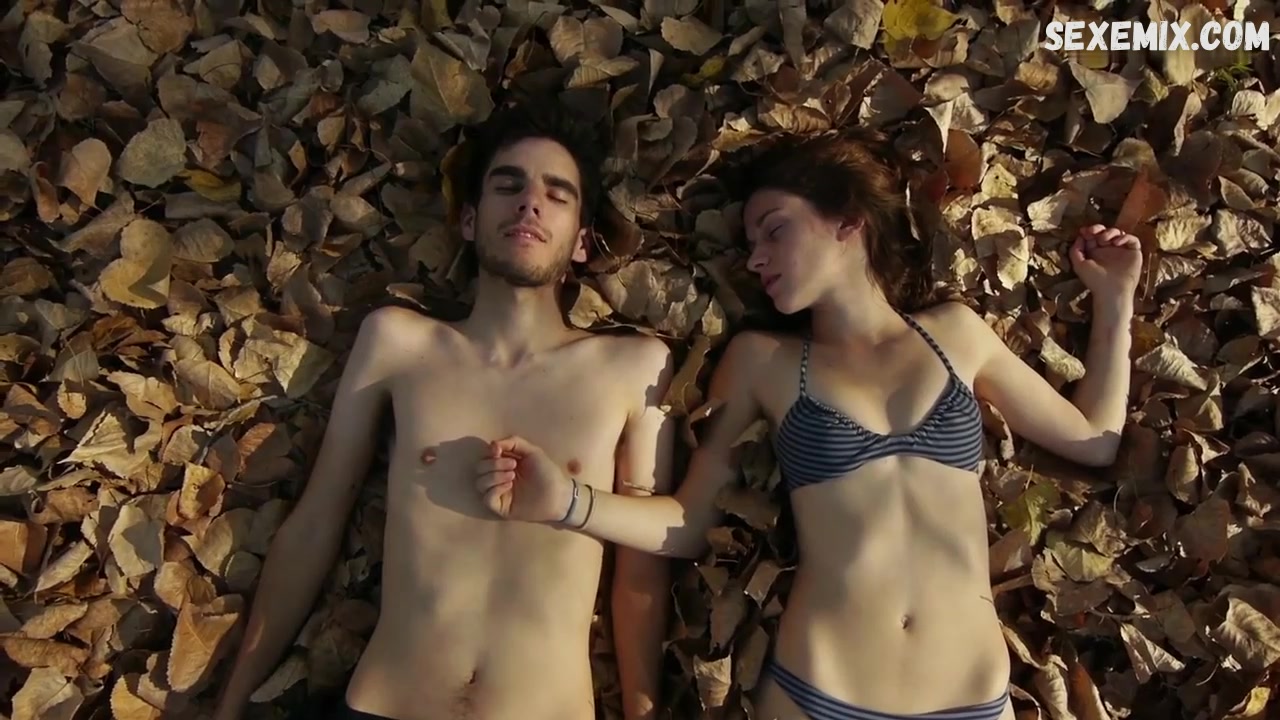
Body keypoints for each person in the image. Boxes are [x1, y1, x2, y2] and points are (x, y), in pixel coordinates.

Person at [469, 128, 1143, 720]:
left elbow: (1094, 439)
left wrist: (1115, 302)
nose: (755, 257)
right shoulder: (761, 362)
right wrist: (569, 502)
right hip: (821, 694)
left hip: (970, 699)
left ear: (848, 221)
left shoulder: (957, 336)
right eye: (749, 243)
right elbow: (687, 522)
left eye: (774, 230)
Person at [211, 102, 678, 720]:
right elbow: (317, 522)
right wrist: (232, 703)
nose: (529, 203)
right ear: (469, 220)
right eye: (507, 186)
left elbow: (641, 569)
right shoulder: (400, 344)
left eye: (556, 194)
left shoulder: (633, 368)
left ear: (583, 243)